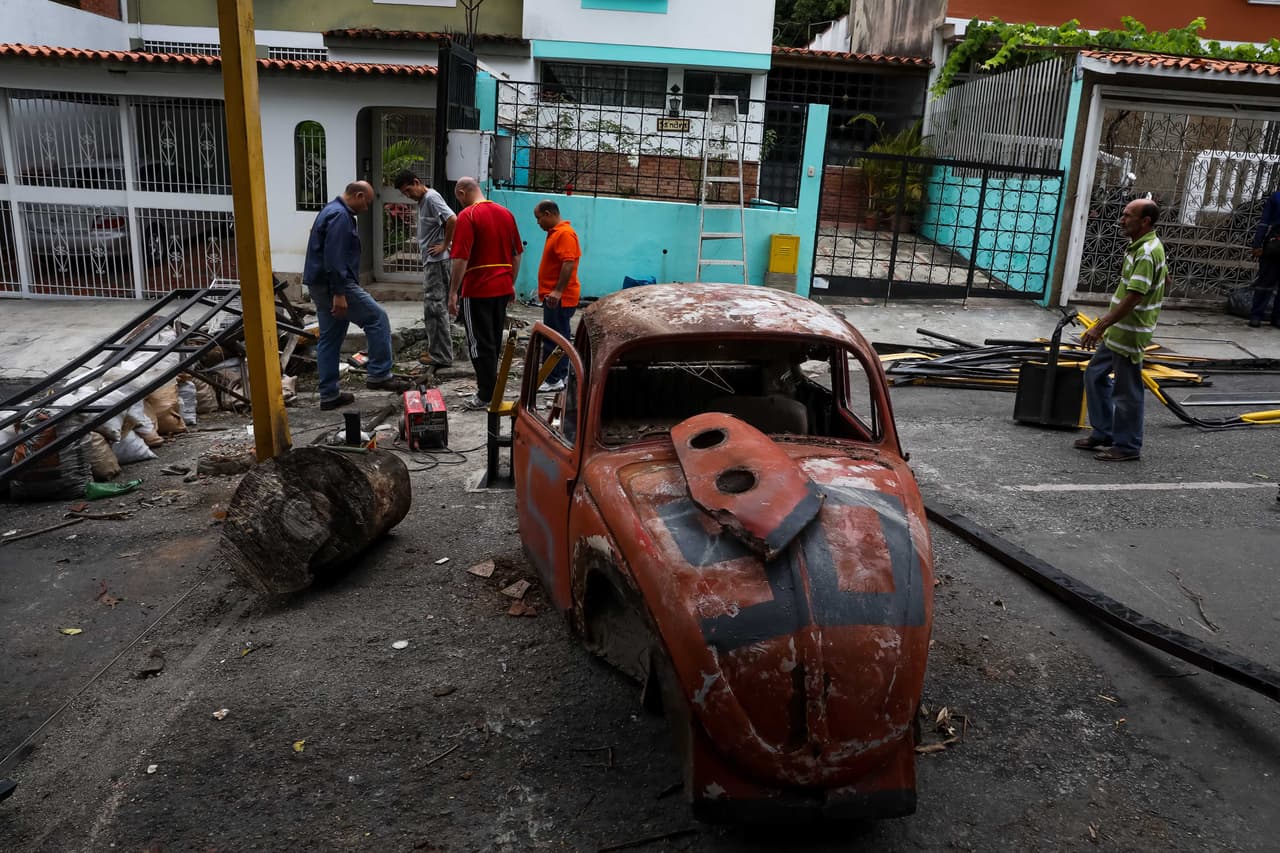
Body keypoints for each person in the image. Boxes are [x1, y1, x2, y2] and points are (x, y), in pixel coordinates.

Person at [302, 180, 411, 410]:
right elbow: (334, 257)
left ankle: (329, 395)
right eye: (368, 202)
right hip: (334, 284)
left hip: (321, 284)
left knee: (331, 337)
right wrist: (339, 293)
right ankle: (380, 374)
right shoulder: (340, 216)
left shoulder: (331, 210)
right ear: (359, 195)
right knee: (377, 318)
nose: (367, 207)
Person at [1073, 198, 1167, 462]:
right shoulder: (1141, 247)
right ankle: (1104, 431)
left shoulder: (1147, 251)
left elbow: (1134, 296)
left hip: (1129, 332)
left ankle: (1128, 446)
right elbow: (1161, 278)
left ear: (1145, 221)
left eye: (1128, 216)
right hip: (1119, 330)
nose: (1122, 220)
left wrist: (1099, 326)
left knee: (1126, 390)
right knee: (1094, 374)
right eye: (1123, 214)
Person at [449, 177, 523, 410]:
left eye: (458, 198)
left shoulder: (467, 216)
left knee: (478, 343)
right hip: (502, 288)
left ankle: (485, 393)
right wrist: (510, 283)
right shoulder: (506, 214)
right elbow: (517, 254)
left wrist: (453, 291)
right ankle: (492, 389)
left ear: (462, 193)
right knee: (492, 340)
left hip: (478, 289)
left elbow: (461, 257)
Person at [394, 170, 457, 366]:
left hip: (437, 262)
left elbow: (452, 219)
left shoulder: (431, 197)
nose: (408, 195)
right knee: (435, 307)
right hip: (433, 261)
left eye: (408, 190)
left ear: (416, 182)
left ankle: (441, 355)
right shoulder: (424, 201)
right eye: (404, 194)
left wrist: (444, 245)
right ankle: (438, 350)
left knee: (434, 307)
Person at [533, 199, 582, 393]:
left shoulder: (564, 234)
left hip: (559, 298)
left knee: (555, 338)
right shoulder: (556, 233)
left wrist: (558, 291)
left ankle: (554, 379)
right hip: (554, 297)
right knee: (557, 335)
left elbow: (568, 263)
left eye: (538, 218)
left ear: (548, 214)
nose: (538, 223)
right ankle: (559, 376)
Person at [1248, 188, 1280, 328]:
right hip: (1273, 245)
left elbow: (1264, 222)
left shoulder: (1275, 197)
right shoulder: (1276, 198)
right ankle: (1259, 315)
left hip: (1273, 244)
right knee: (1265, 281)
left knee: (1268, 283)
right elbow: (1264, 222)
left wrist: (1258, 243)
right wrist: (1258, 243)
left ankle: (1272, 317)